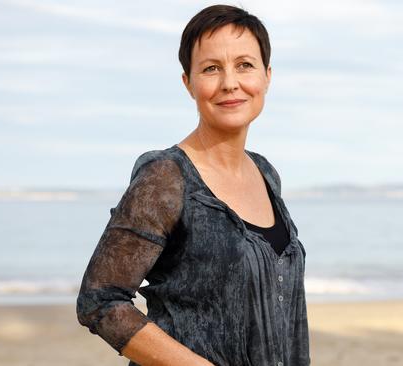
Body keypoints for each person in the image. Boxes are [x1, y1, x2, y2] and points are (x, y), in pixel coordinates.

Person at [75, 5, 310, 366]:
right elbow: (100, 300)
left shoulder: (265, 173)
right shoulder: (166, 176)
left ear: (267, 76)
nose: (230, 82)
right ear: (188, 83)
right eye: (211, 68)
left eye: (245, 65)